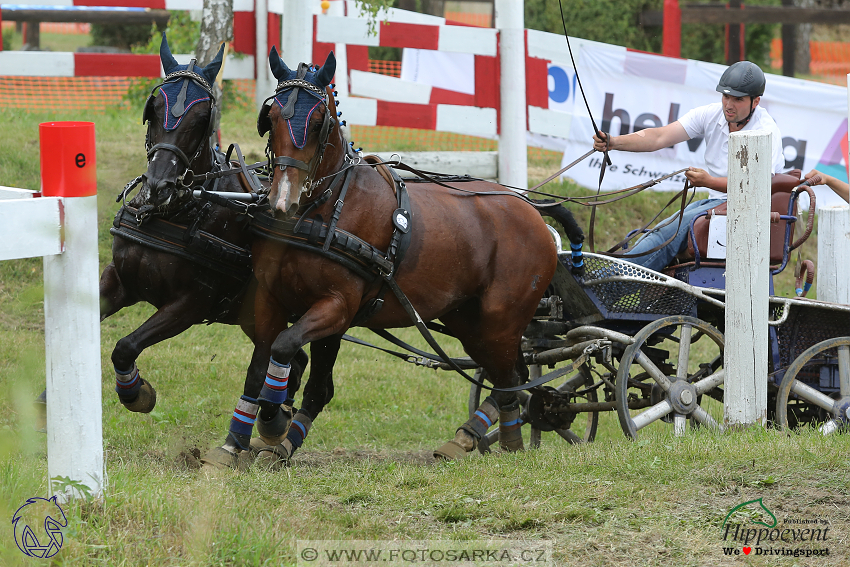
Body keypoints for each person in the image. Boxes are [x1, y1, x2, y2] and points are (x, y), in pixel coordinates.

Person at [592, 61, 786, 272]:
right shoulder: (710, 114)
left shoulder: (767, 132)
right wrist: (614, 142)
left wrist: (708, 181)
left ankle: (609, 281)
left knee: (667, 234)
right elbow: (659, 137)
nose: (728, 104)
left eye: (738, 99)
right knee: (659, 230)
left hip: (749, 210)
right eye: (725, 96)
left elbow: (753, 187)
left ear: (755, 101)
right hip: (717, 203)